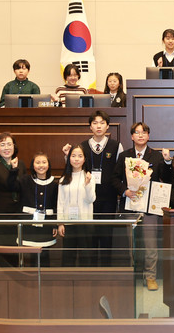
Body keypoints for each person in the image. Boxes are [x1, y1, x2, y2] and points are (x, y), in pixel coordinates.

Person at [111, 122, 174, 291]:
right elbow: (114, 179)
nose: (140, 135)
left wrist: (167, 162)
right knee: (132, 244)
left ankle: (150, 276)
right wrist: (124, 191)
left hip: (149, 208)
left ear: (148, 136)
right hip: (130, 205)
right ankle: (133, 275)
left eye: (144, 132)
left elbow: (167, 178)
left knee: (150, 244)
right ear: (132, 136)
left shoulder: (157, 156)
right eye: (137, 132)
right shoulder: (124, 156)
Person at [62, 110, 124, 266]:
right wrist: (66, 156)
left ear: (108, 126)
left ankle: (106, 270)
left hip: (108, 199)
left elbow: (120, 173)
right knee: (89, 236)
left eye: (102, 123)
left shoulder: (116, 146)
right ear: (90, 126)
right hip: (87, 199)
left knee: (106, 236)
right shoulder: (83, 146)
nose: (98, 126)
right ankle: (91, 270)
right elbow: (74, 166)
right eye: (95, 123)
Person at [6, 152, 59, 266]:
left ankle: (44, 277)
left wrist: (55, 224)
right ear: (33, 165)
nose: (41, 165)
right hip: (28, 225)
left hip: (46, 226)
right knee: (30, 256)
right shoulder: (25, 180)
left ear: (48, 165)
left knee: (44, 256)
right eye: (38, 162)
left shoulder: (54, 184)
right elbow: (11, 186)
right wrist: (14, 169)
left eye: (44, 162)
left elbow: (56, 206)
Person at [57, 145, 95, 267]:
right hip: (69, 223)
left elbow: (91, 199)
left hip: (85, 223)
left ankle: (85, 278)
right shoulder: (63, 179)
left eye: (80, 156)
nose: (76, 159)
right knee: (68, 257)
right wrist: (60, 223)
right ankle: (67, 278)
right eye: (73, 156)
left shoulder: (89, 177)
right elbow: (60, 203)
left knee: (86, 257)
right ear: (69, 158)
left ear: (84, 159)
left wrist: (87, 184)